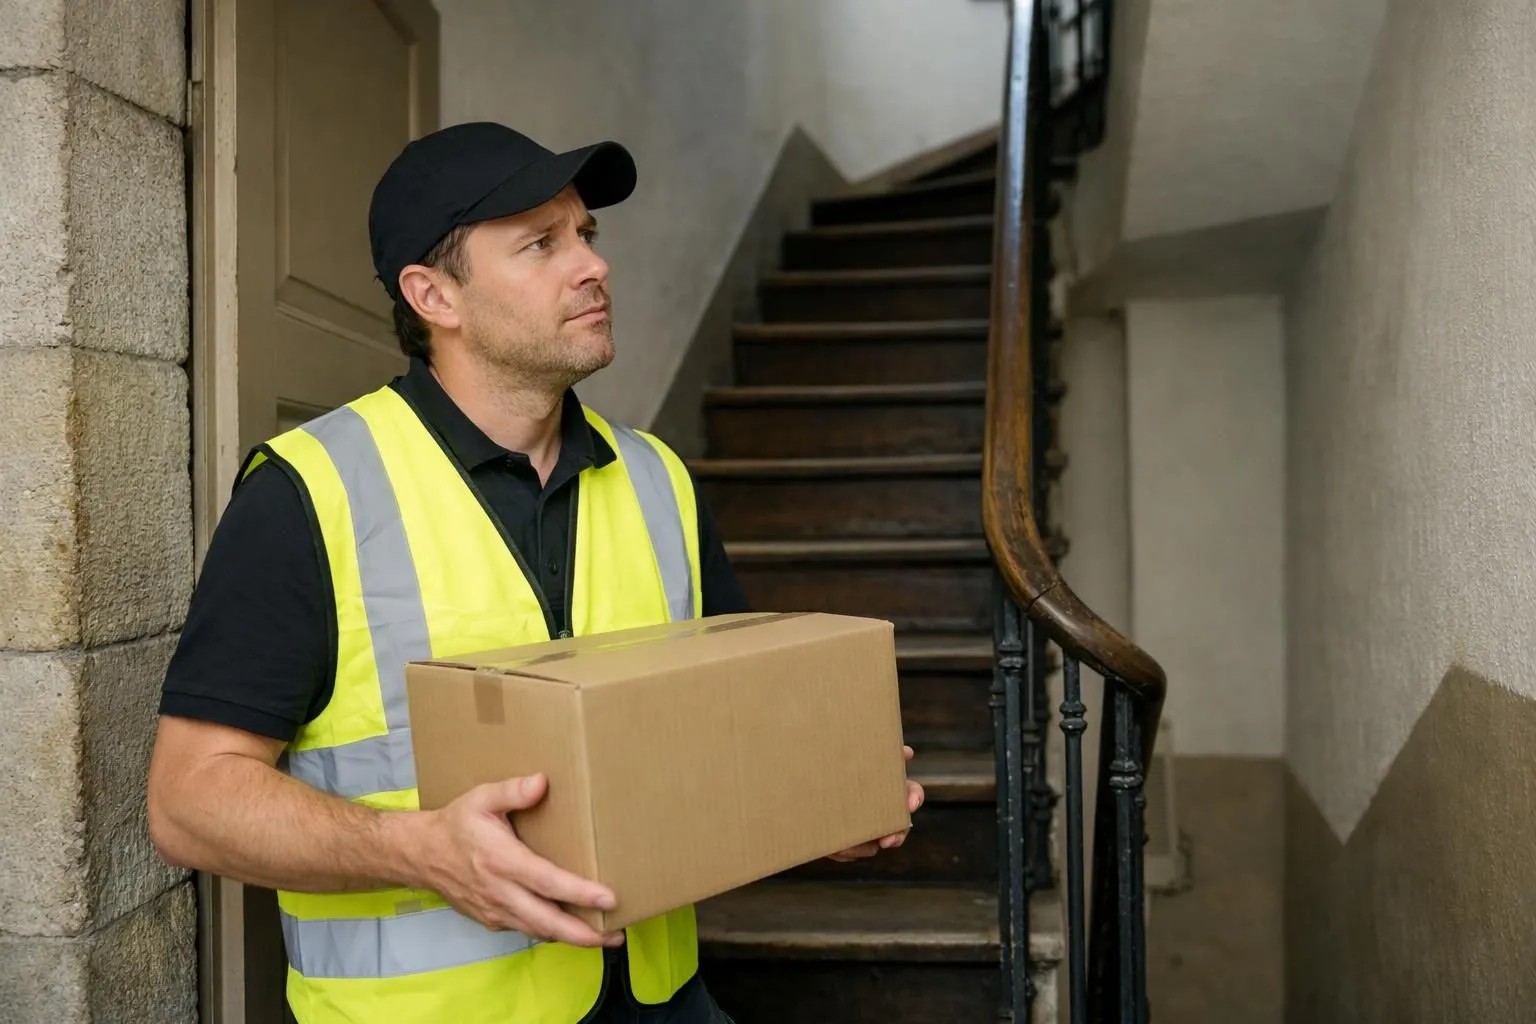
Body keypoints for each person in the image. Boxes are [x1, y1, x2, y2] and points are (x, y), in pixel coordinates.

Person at [147, 122, 925, 1024]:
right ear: (433, 294)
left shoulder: (657, 478)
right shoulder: (308, 493)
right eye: (540, 244)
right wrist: (421, 851)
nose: (592, 267)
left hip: (661, 1003)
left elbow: (728, 735)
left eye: (587, 236)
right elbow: (189, 801)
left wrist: (818, 801)